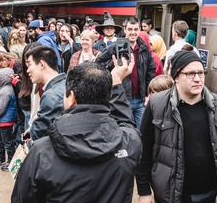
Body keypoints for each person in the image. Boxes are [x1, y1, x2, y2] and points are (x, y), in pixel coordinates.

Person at [12, 57, 142, 203]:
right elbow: (127, 124)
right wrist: (116, 82)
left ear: (71, 97)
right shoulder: (128, 142)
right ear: (108, 96)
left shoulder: (42, 152)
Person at [137, 50, 217, 203]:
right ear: (176, 77)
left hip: (212, 192)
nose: (197, 79)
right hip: (172, 193)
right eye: (190, 74)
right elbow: (143, 150)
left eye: (201, 73)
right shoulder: (157, 104)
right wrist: (144, 190)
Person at [96, 17, 156, 128]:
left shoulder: (144, 49)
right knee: (123, 131)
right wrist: (112, 67)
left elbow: (151, 70)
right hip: (122, 99)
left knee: (140, 133)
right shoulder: (114, 47)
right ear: (125, 30)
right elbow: (98, 64)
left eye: (136, 29)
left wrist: (149, 93)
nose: (133, 32)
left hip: (140, 100)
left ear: (139, 30)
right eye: (130, 29)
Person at [23, 45, 66, 142]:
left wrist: (33, 131)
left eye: (29, 65)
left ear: (42, 64)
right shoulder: (65, 82)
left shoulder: (51, 96)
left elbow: (38, 134)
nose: (27, 70)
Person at [0, 68, 18, 172]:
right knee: (1, 140)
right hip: (2, 121)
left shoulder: (5, 92)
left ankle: (10, 161)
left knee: (7, 142)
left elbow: (0, 109)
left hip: (5, 121)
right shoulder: (5, 89)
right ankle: (0, 157)